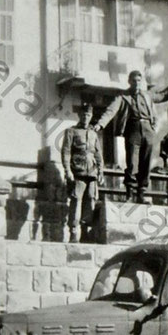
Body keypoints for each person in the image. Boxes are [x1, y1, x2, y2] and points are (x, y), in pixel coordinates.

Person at [94, 70, 156, 204]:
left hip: (147, 129)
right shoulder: (123, 97)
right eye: (134, 81)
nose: (136, 83)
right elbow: (111, 110)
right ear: (129, 82)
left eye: (139, 80)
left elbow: (153, 113)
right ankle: (130, 193)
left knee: (146, 161)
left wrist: (153, 128)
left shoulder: (147, 96)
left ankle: (142, 193)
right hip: (133, 129)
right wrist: (100, 124)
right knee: (132, 162)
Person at [62, 103, 104, 243]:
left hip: (91, 172)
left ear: (91, 116)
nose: (86, 117)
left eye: (88, 115)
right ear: (79, 115)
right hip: (77, 170)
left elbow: (98, 154)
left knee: (91, 199)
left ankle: (85, 231)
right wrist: (67, 170)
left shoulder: (93, 133)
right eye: (84, 114)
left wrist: (101, 171)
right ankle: (74, 232)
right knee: (76, 200)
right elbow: (66, 151)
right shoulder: (71, 131)